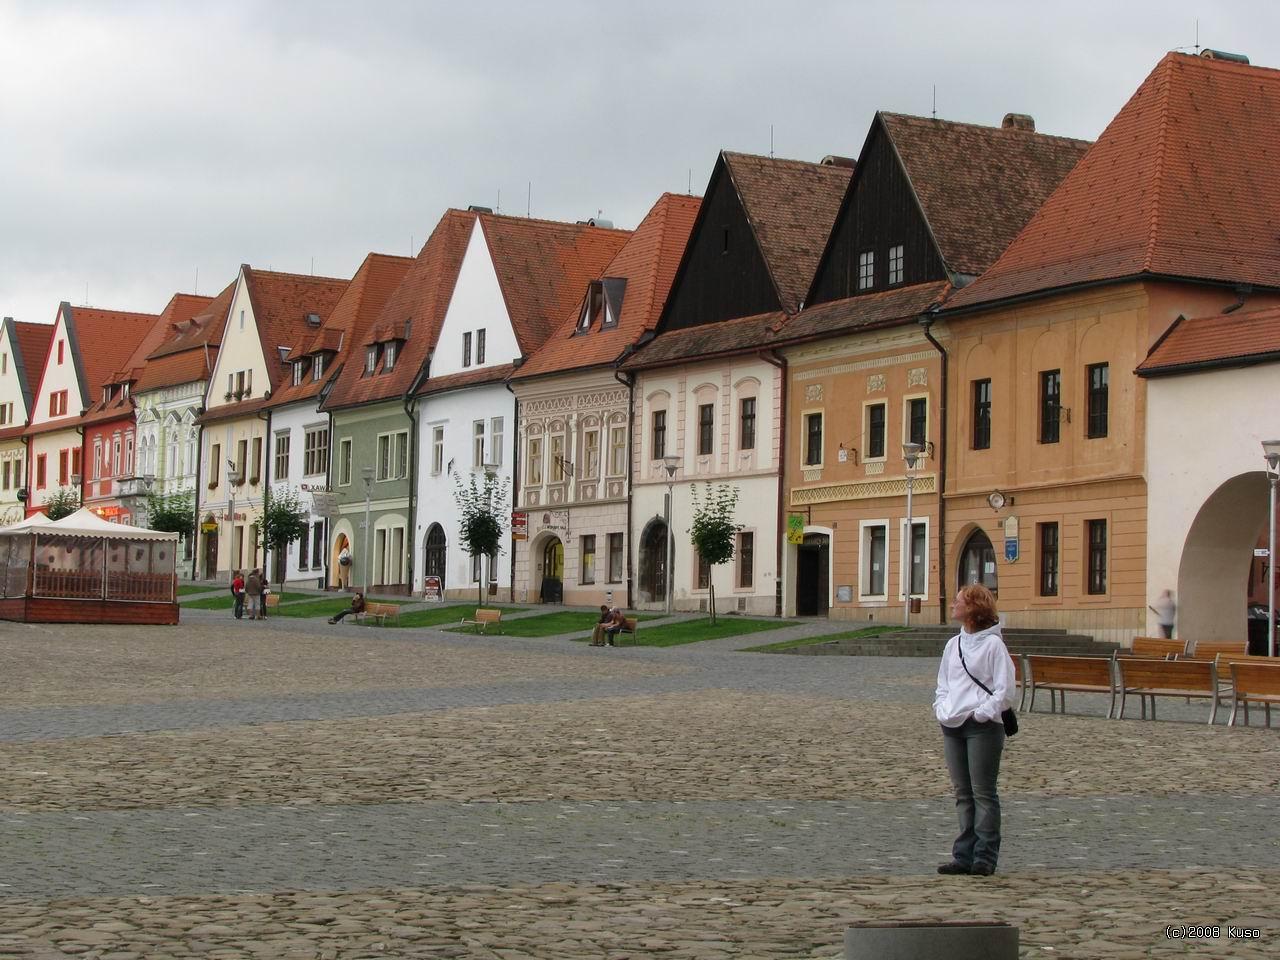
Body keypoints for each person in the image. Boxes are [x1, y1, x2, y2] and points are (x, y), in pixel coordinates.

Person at [933, 583, 1016, 877]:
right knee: (962, 793)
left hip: (982, 727)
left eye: (959, 601)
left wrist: (982, 713)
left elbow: (1004, 690)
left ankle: (984, 855)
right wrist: (942, 708)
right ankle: (963, 854)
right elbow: (944, 683)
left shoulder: (994, 645)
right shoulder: (953, 644)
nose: (954, 605)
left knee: (983, 792)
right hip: (952, 724)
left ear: (973, 608)